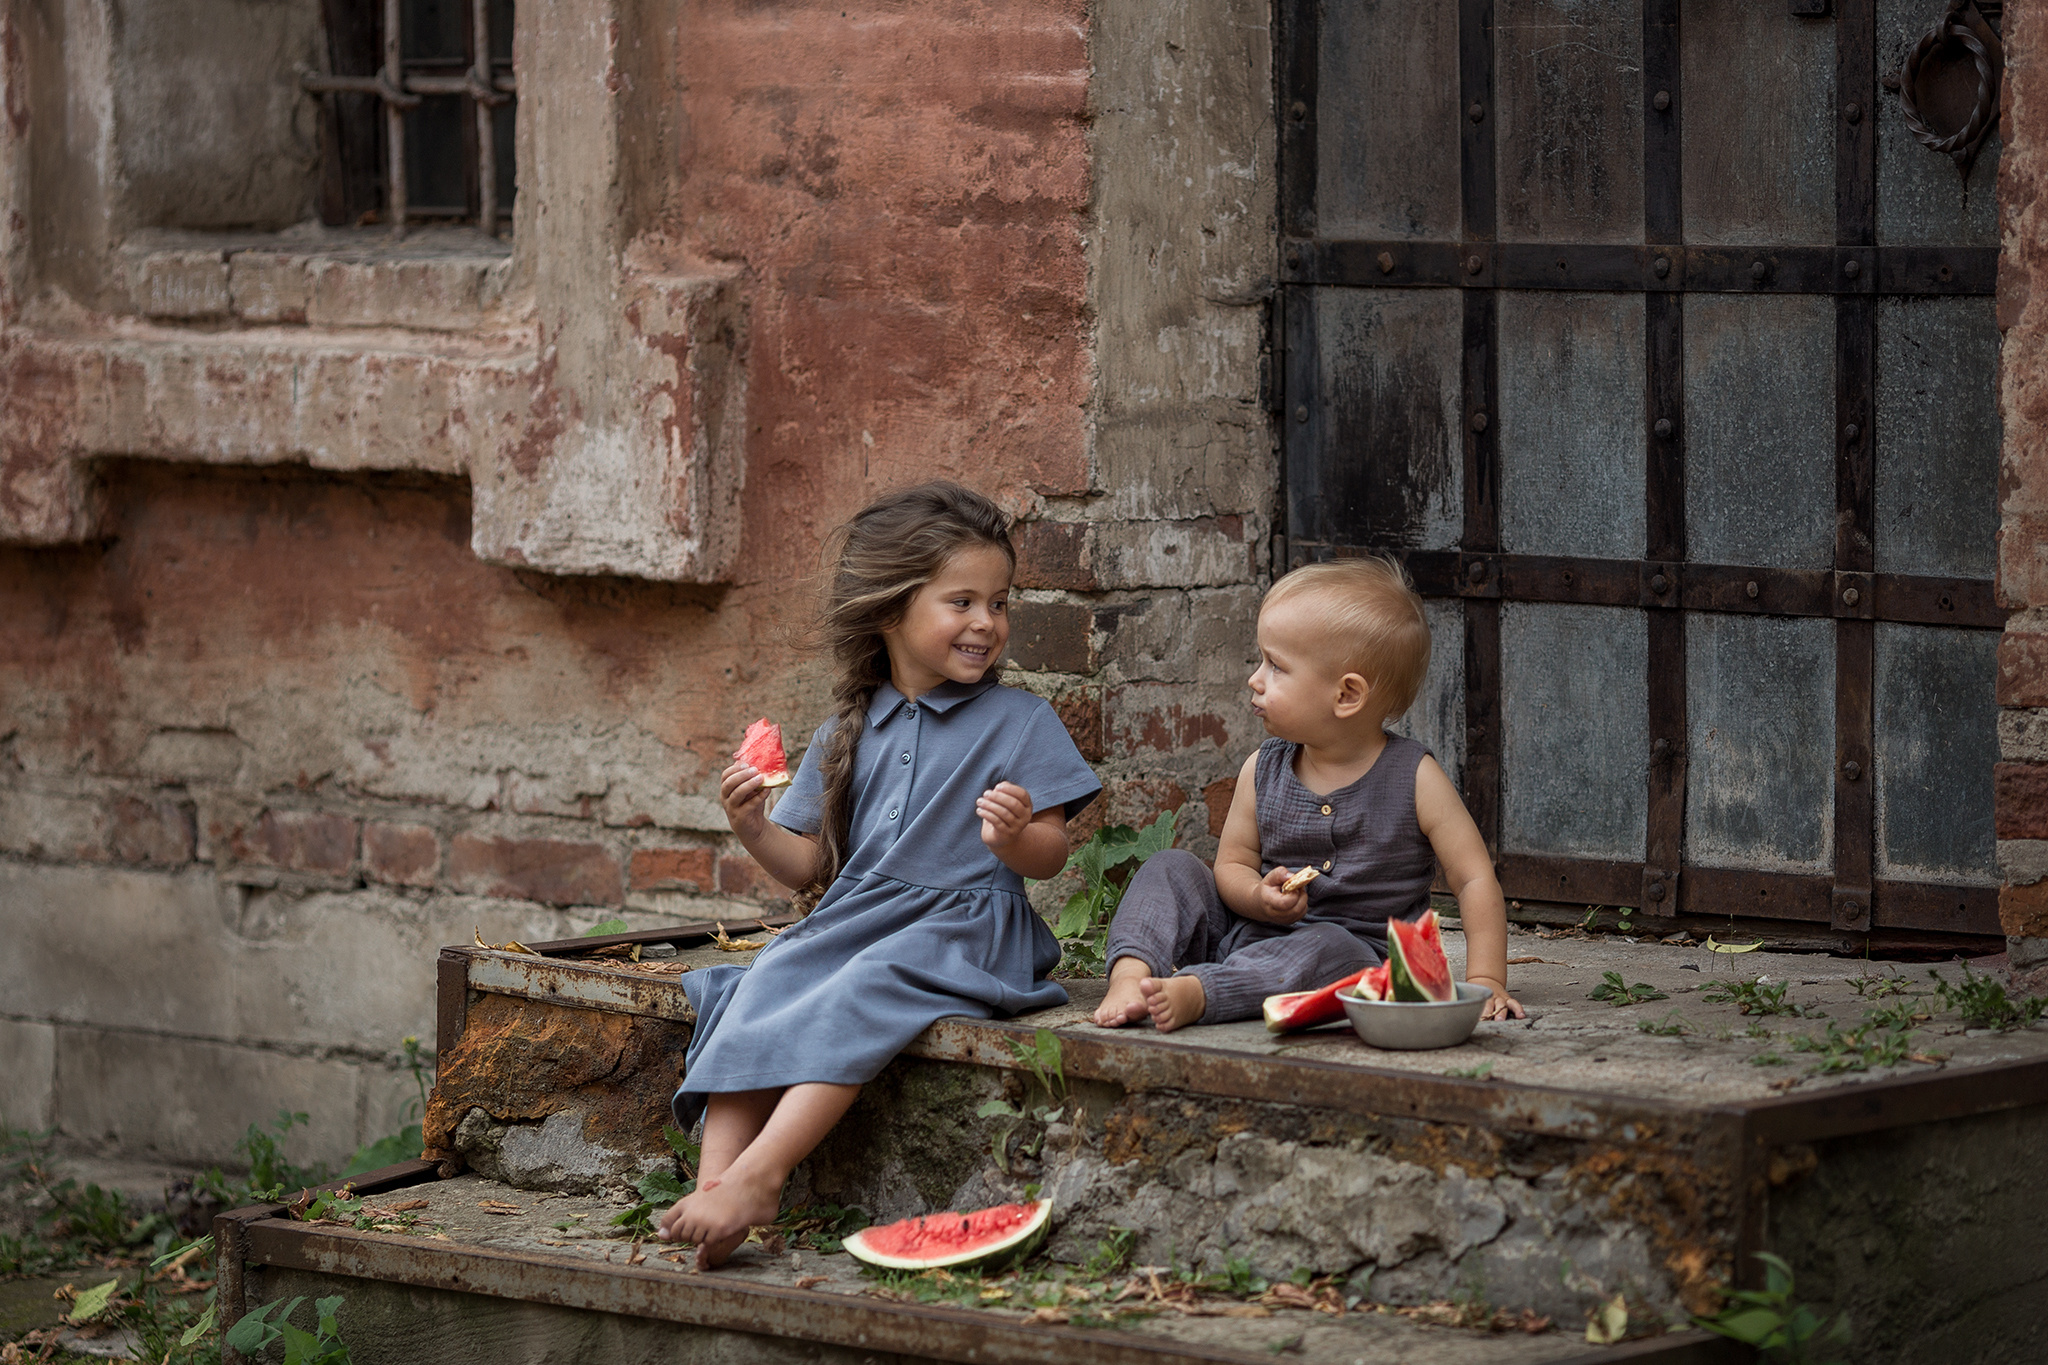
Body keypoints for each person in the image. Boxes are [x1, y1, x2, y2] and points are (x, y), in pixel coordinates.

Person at [656, 482, 1101, 1268]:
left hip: (967, 930)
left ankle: (763, 1173)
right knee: (760, 979)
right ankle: (715, 1184)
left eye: (999, 603)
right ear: (891, 610)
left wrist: (1013, 837)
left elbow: (1053, 852)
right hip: (858, 919)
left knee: (871, 980)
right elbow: (809, 868)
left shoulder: (1022, 720)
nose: (986, 623)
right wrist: (753, 826)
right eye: (961, 601)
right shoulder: (844, 730)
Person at [1093, 557, 1525, 1032]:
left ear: (1346, 696)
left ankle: (1203, 992)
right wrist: (1257, 896)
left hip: (1353, 954)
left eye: (1276, 666)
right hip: (1247, 930)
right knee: (1170, 867)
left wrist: (1486, 978)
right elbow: (1230, 866)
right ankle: (1132, 974)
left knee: (1335, 951)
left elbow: (1473, 879)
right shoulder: (1263, 768)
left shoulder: (1415, 778)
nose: (1255, 679)